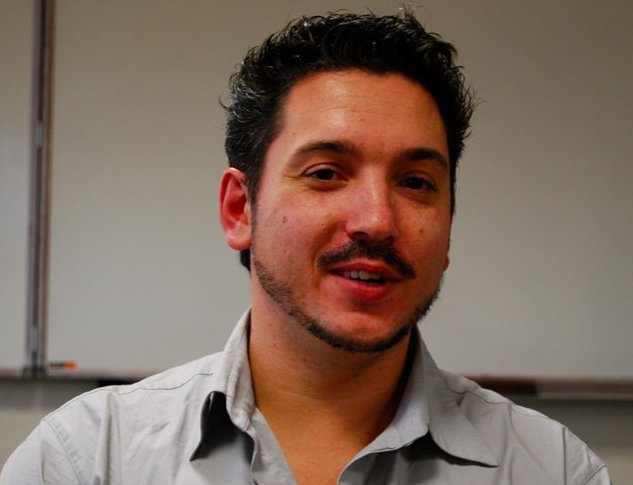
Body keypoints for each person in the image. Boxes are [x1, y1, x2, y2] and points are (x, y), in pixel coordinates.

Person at [1, 10, 609, 485]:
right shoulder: (87, 459)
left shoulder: (551, 469)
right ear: (240, 209)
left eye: (416, 183)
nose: (377, 220)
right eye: (325, 173)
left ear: (449, 227)